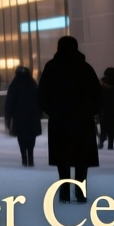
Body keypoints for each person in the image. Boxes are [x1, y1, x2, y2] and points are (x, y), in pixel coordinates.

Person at [38, 35, 101, 202]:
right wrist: (90, 111)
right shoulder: (85, 68)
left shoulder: (51, 67)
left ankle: (64, 192)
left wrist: (53, 111)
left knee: (62, 159)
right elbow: (98, 94)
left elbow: (42, 94)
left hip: (60, 121)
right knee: (81, 159)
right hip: (82, 120)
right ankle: (80, 192)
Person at [6, 65, 41, 166]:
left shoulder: (14, 84)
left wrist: (8, 117)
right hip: (32, 116)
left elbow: (9, 102)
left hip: (19, 117)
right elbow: (39, 100)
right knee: (31, 137)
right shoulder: (33, 84)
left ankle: (24, 157)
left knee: (21, 138)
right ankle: (30, 156)